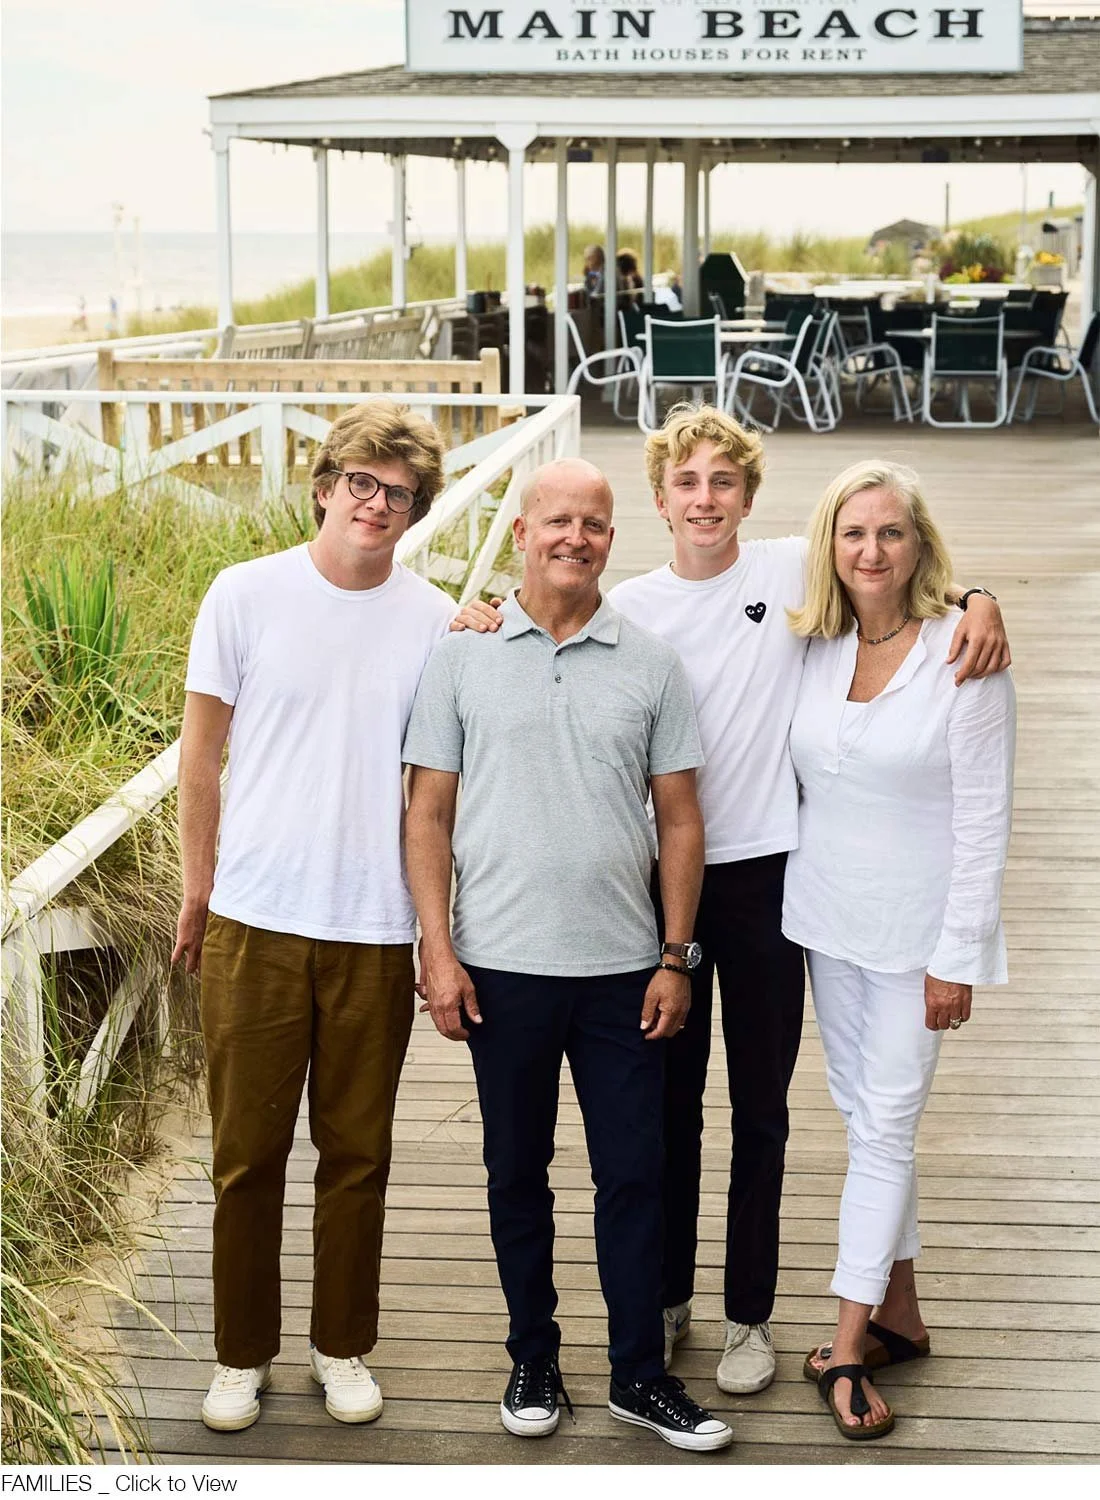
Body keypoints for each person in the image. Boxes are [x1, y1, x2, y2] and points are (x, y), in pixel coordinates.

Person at [451, 405, 1010, 1400]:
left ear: (748, 496)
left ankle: (747, 1312)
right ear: (657, 499)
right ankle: (666, 1299)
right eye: (685, 483)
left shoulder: (788, 571)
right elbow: (547, 608)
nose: (704, 498)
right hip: (656, 890)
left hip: (767, 885)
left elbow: (881, 556)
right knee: (664, 1110)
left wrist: (975, 596)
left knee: (762, 1111)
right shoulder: (629, 605)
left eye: (723, 482)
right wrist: (485, 608)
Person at [402, 458, 733, 1453]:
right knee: (517, 1172)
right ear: (519, 533)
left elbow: (680, 819)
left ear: (608, 536)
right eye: (555, 520)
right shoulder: (459, 654)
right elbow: (427, 810)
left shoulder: (650, 661)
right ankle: (531, 1355)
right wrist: (437, 948)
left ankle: (639, 1374)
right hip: (497, 964)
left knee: (635, 1171)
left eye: (592, 523)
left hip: (622, 970)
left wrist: (675, 956)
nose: (574, 538)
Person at [172, 402, 455, 1433]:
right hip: (255, 916)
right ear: (326, 484)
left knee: (357, 1155)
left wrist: (435, 933)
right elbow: (199, 758)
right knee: (245, 1155)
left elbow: (435, 786)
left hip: (373, 925)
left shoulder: (432, 619)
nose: (377, 505)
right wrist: (197, 888)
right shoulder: (244, 594)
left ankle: (341, 1346)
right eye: (363, 484)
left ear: (417, 508)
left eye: (401, 493)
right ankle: (240, 1355)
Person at [786, 461, 1015, 1440]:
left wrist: (957, 953)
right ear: (827, 549)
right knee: (862, 1116)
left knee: (881, 1130)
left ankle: (845, 1345)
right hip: (823, 926)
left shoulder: (962, 657)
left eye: (888, 533)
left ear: (918, 545)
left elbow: (983, 820)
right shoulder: (809, 646)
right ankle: (901, 1317)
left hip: (917, 938)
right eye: (851, 534)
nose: (869, 552)